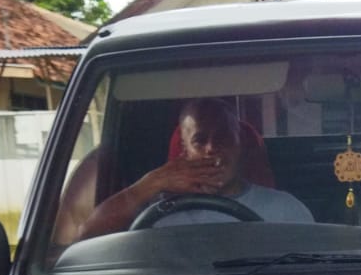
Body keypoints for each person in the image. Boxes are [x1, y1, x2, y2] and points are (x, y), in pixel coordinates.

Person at [61, 97, 311, 242]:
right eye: (200, 140)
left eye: (223, 137)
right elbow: (88, 238)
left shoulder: (285, 208)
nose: (212, 148)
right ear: (184, 150)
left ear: (241, 145)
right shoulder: (152, 212)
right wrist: (151, 183)